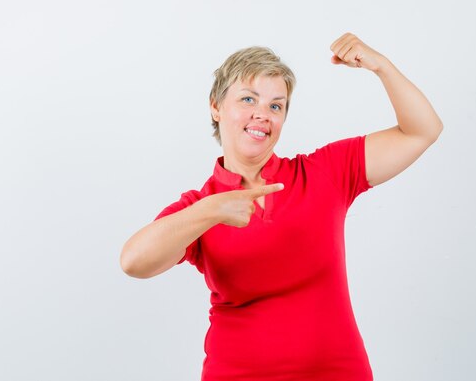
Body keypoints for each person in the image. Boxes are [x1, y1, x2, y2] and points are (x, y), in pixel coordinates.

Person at [120, 33, 443, 381]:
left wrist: (381, 66)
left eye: (276, 105)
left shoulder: (325, 173)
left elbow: (422, 131)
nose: (262, 115)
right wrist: (212, 211)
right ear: (216, 106)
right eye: (248, 99)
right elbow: (133, 262)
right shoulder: (199, 206)